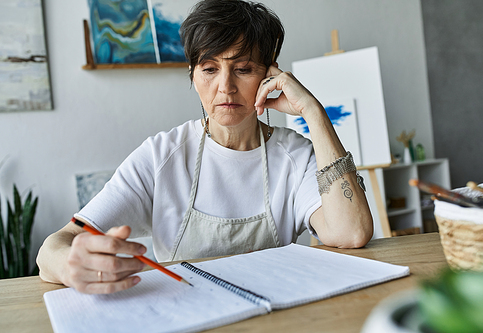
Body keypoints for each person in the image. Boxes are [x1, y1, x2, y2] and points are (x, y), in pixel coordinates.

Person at [37, 0, 373, 295]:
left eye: (243, 69)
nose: (225, 87)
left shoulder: (295, 157)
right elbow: (53, 247)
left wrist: (312, 111)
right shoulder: (160, 156)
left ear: (270, 75)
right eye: (210, 69)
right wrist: (69, 265)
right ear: (193, 76)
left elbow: (352, 232)